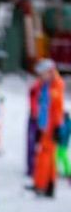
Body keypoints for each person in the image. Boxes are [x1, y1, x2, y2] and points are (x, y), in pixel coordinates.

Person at [31, 59, 65, 197]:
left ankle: (44, 185)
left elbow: (57, 109)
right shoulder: (44, 85)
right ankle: (44, 184)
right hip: (43, 126)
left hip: (51, 128)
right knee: (43, 156)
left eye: (42, 73)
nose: (40, 76)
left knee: (47, 157)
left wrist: (57, 127)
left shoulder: (56, 86)